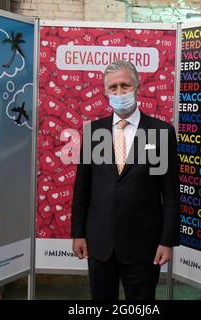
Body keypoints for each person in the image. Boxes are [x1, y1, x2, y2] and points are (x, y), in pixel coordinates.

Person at [71, 60, 180, 300]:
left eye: (125, 85)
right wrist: (78, 233)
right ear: (105, 91)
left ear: (137, 87)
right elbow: (82, 189)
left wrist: (167, 241)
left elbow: (170, 194)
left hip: (144, 246)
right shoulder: (94, 132)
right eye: (113, 87)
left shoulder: (159, 133)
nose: (119, 93)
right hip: (100, 244)